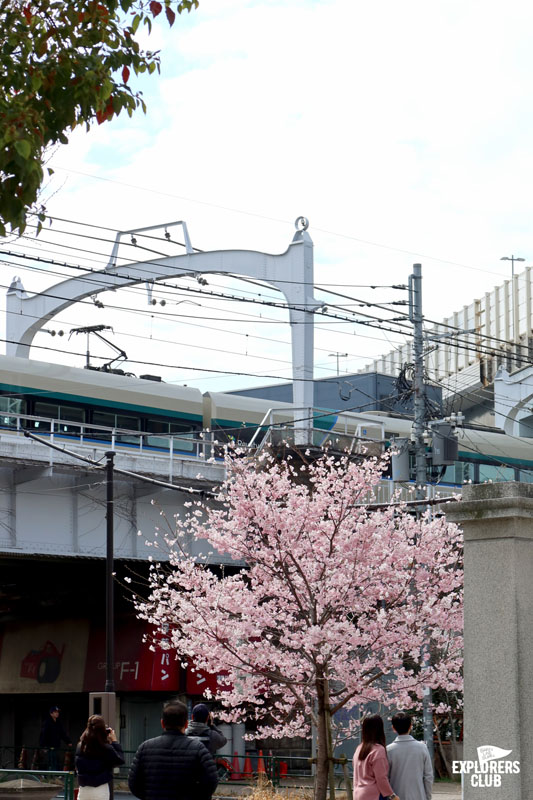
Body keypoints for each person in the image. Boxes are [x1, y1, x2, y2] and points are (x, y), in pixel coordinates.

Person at [128, 700, 218, 800]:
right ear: (186, 724)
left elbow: (133, 783)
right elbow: (211, 781)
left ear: (162, 723)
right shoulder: (199, 749)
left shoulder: (144, 748)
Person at [75, 715, 125, 800]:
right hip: (100, 788)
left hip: (83, 789)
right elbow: (119, 760)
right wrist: (114, 742)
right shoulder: (105, 748)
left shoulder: (81, 746)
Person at [386, 712, 433, 800]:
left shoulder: (388, 750)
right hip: (419, 796)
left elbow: (385, 778)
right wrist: (428, 797)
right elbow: (428, 777)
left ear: (393, 728)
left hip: (396, 797)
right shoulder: (422, 748)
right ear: (410, 726)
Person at [353, 714, 399, 800]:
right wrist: (392, 796)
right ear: (380, 729)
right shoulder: (378, 750)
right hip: (374, 795)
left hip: (358, 793)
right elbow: (381, 778)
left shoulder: (359, 748)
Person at [39, 706, 72, 770]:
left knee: (55, 759)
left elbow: (62, 733)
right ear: (51, 713)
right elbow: (43, 734)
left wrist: (68, 741)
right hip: (48, 745)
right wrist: (43, 746)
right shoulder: (47, 722)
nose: (57, 713)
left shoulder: (58, 723)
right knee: (49, 760)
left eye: (58, 712)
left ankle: (54, 775)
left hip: (56, 745)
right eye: (55, 712)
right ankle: (46, 775)